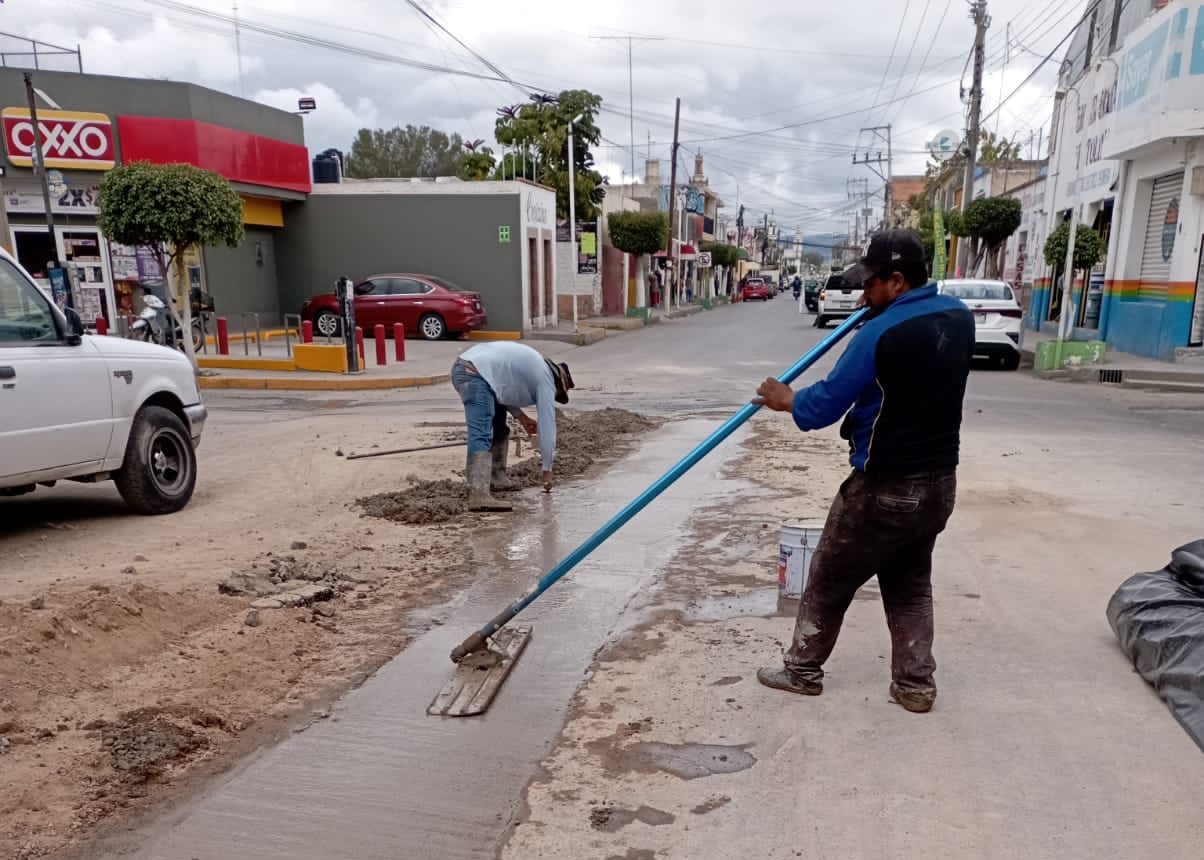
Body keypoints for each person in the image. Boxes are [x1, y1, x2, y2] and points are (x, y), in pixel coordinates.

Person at [753, 229, 974, 713]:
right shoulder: (959, 317)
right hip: (939, 484)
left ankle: (801, 670)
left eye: (870, 285)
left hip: (884, 486)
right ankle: (915, 684)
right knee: (910, 583)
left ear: (897, 281)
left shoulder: (878, 334)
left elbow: (824, 406)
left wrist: (786, 399)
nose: (861, 295)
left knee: (829, 577)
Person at [450, 342, 574, 512]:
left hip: (475, 370)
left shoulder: (535, 367)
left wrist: (521, 417)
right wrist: (547, 470)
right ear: (559, 384)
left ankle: (496, 478)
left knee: (499, 427)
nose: (552, 396)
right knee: (482, 432)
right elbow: (547, 426)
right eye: (557, 395)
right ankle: (478, 494)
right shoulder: (546, 379)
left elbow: (502, 390)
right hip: (474, 374)